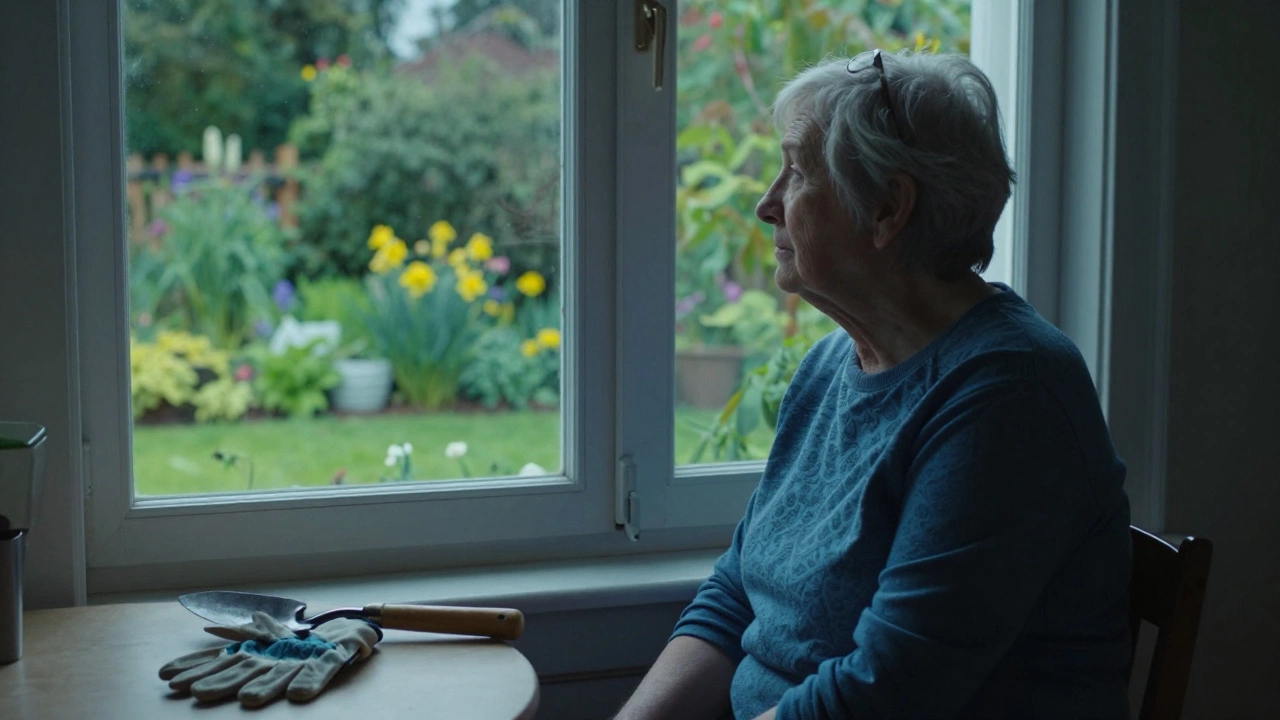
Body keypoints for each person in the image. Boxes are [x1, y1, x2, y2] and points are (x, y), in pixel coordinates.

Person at [614, 50, 1131, 720]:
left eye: (798, 172)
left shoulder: (1010, 395)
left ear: (888, 207)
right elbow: (740, 589)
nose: (766, 203)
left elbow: (889, 689)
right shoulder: (832, 365)